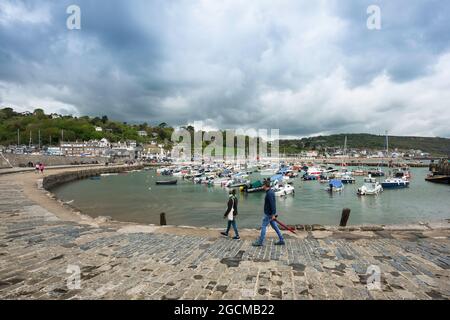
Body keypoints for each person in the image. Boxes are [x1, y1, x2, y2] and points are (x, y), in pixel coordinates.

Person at [253, 180, 285, 246]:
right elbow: (272, 204)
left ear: (265, 185)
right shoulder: (270, 192)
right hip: (270, 214)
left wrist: (273, 214)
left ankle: (260, 242)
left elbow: (272, 204)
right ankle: (281, 240)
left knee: (263, 226)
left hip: (268, 214)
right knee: (275, 227)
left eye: (263, 185)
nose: (262, 186)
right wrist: (273, 213)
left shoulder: (269, 193)